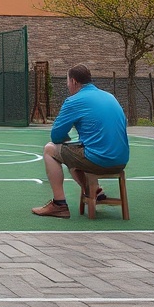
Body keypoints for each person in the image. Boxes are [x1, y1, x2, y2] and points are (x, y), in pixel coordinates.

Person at [32, 63, 129, 219]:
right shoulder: (110, 97)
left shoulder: (74, 101)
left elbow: (56, 136)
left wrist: (66, 140)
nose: (67, 86)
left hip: (98, 160)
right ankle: (95, 191)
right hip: (121, 161)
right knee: (73, 152)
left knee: (50, 149)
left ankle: (59, 204)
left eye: (67, 82)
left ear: (74, 81)